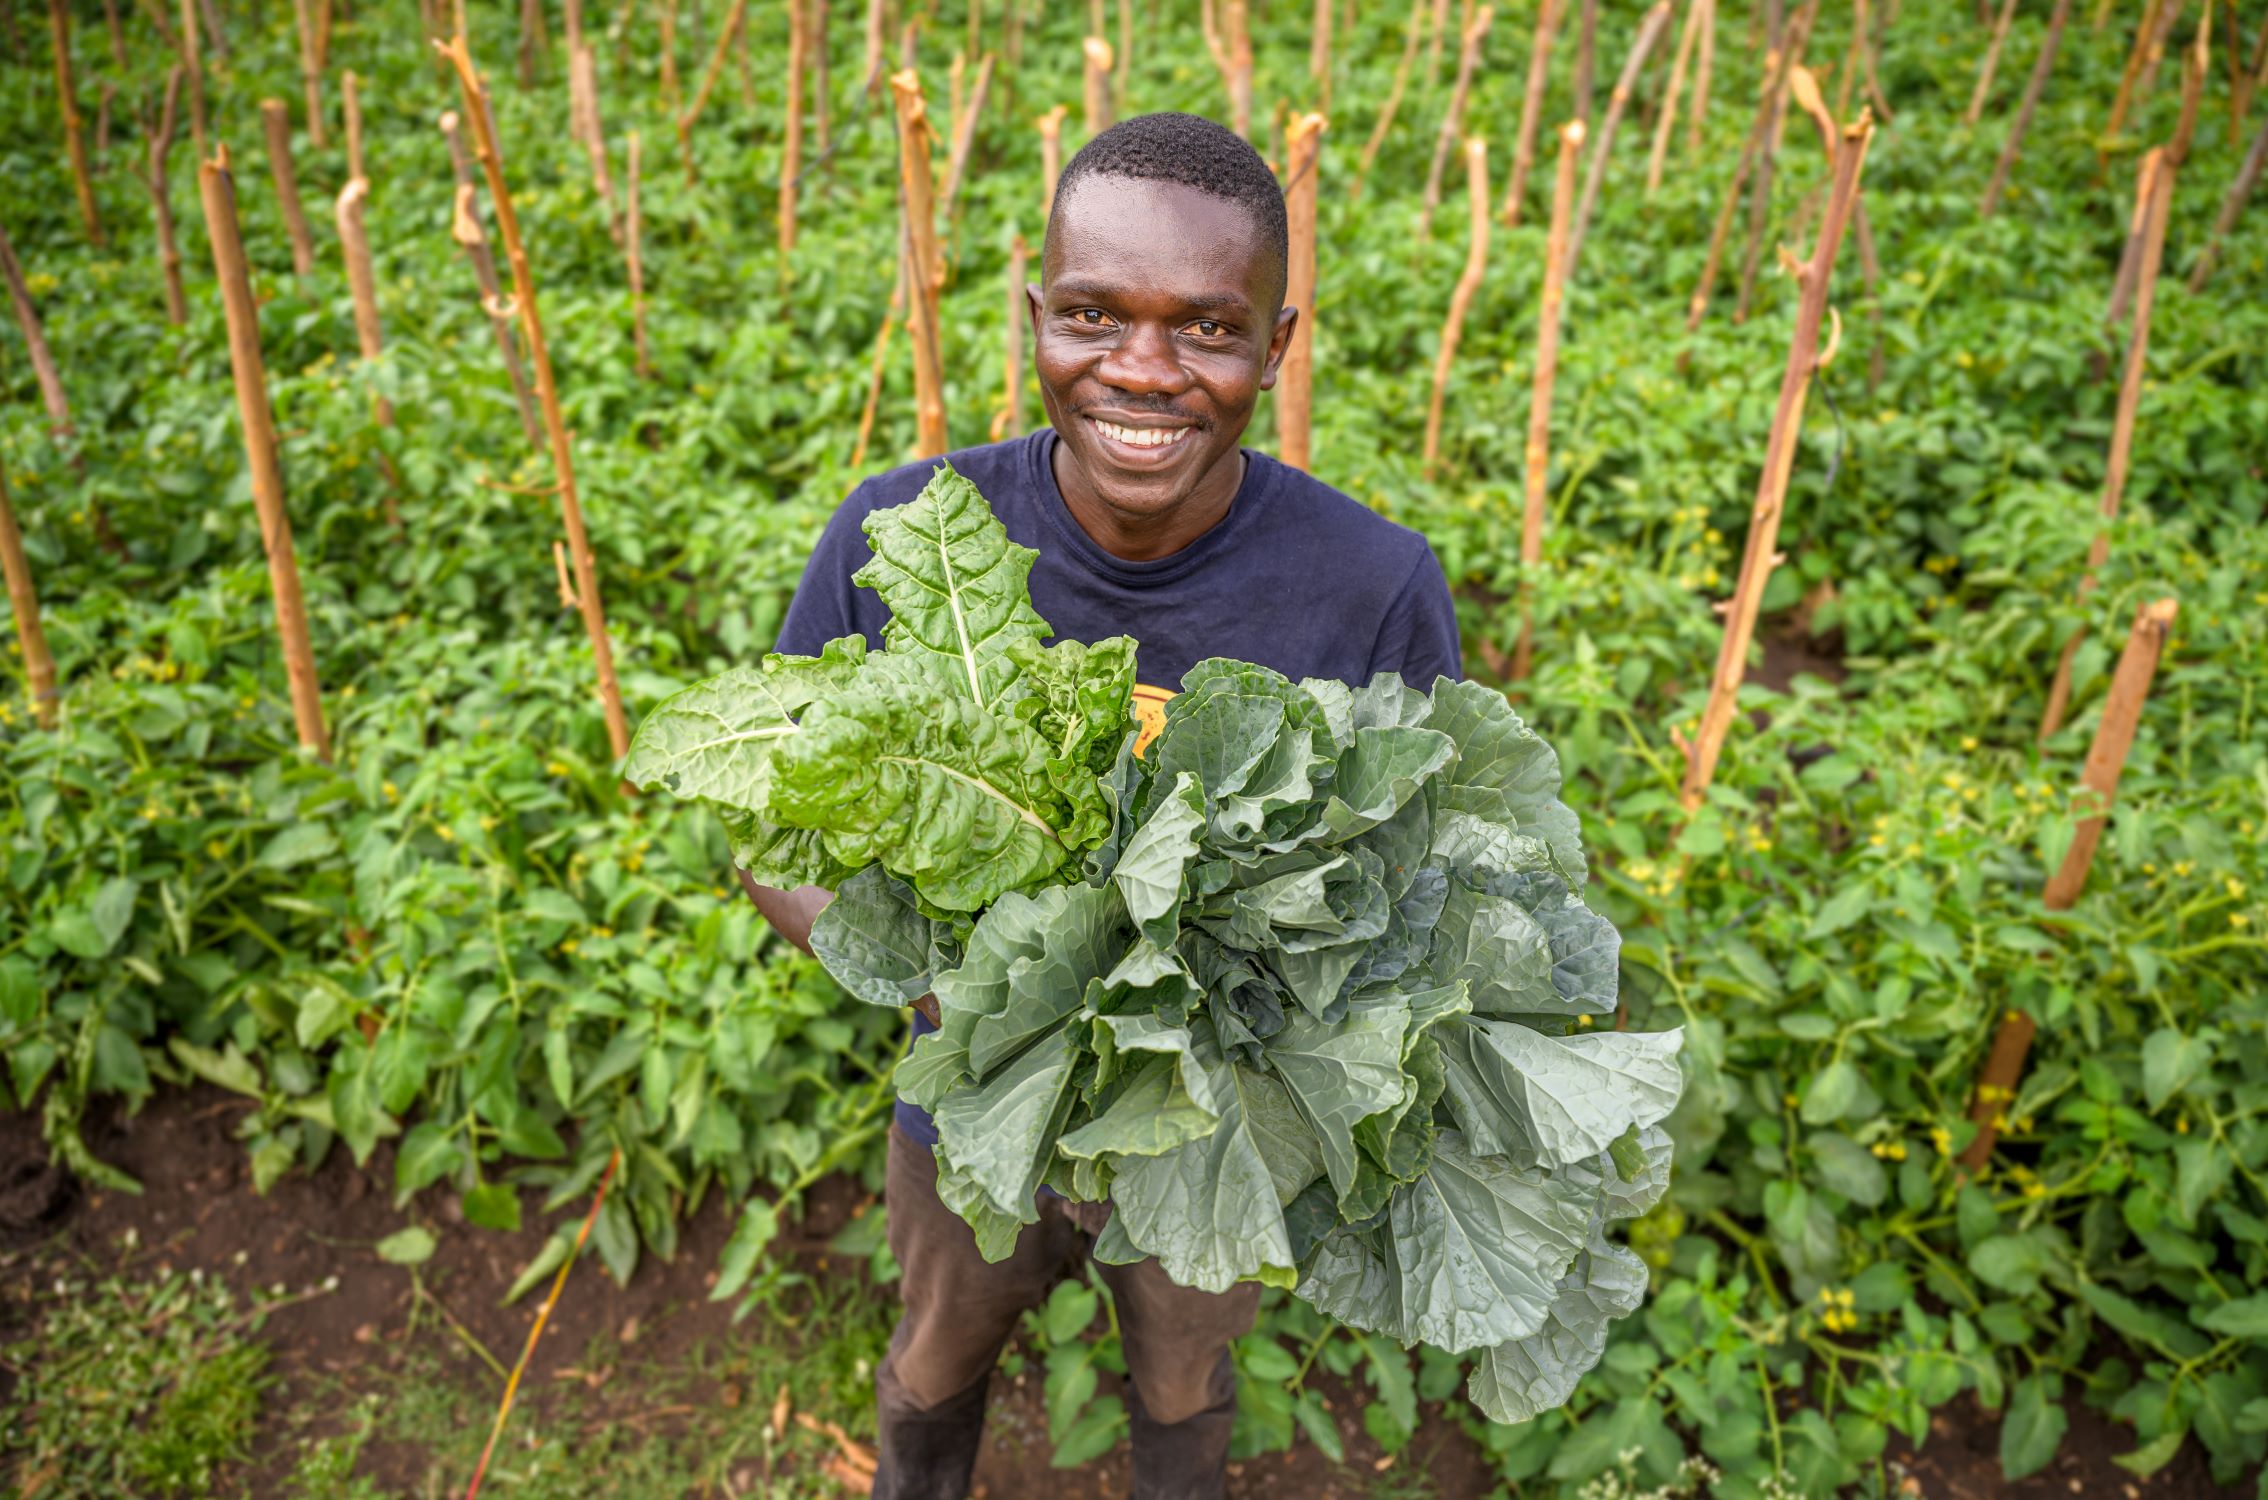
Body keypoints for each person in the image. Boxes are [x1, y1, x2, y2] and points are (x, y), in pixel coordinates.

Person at [742, 112, 1460, 1500]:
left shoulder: (1368, 585)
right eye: (1091, 314)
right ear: (1034, 318)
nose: (1141, 369)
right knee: (941, 1343)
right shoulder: (912, 543)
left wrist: (1267, 1010)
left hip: (1213, 1132)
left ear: (1277, 344)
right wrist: (955, 995)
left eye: (1205, 328)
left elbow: (1415, 877)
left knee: (1185, 1367)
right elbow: (778, 838)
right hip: (973, 1105)